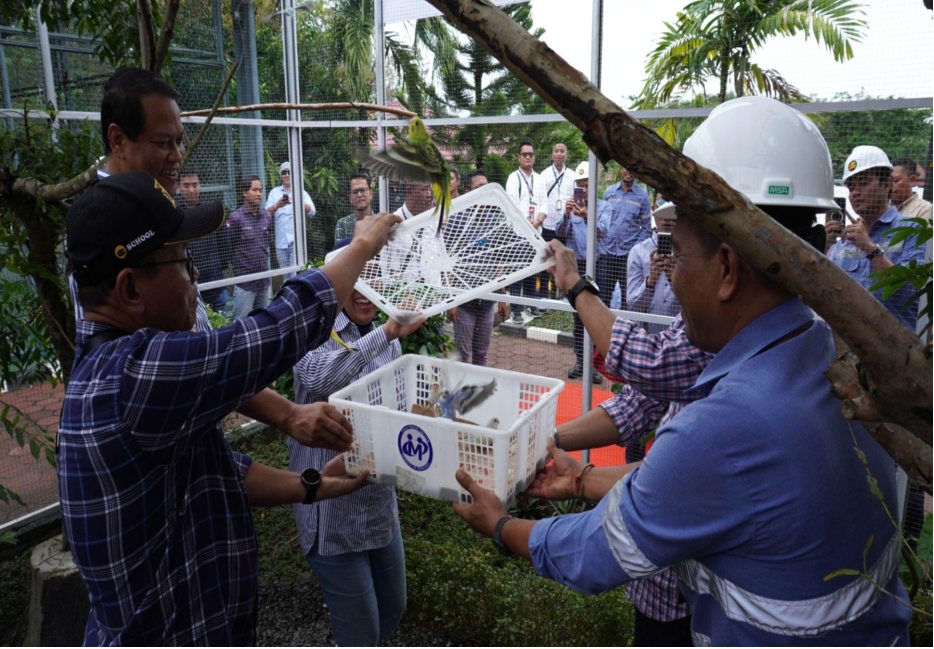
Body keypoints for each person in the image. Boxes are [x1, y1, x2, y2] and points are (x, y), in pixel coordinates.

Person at [450, 97, 911, 647]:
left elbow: (599, 552)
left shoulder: (728, 423)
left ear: (726, 268)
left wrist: (502, 525)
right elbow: (665, 448)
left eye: (677, 251)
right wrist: (572, 471)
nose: (671, 269)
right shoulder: (833, 352)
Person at [60, 170, 401, 646]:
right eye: (182, 261)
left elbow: (217, 471)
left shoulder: (123, 368)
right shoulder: (132, 376)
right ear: (130, 290)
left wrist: (312, 484)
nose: (196, 277)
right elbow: (268, 337)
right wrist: (359, 250)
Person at [76, 68, 336, 455]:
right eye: (164, 142)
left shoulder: (154, 202)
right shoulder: (99, 233)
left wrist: (287, 415)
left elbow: (206, 364)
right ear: (118, 140)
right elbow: (203, 362)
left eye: (180, 141)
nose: (178, 156)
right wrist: (355, 255)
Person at [289, 241, 424, 647]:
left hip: (378, 506)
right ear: (334, 286)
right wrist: (386, 332)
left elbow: (399, 411)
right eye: (354, 281)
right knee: (361, 634)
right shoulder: (311, 335)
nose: (365, 291)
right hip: (331, 515)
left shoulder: (392, 342)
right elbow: (323, 382)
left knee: (394, 608)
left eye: (372, 279)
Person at [827, 146, 926, 331]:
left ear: (887, 184)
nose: (855, 192)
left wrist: (872, 251)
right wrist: (824, 249)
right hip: (847, 350)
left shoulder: (913, 230)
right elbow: (828, 292)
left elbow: (914, 294)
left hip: (899, 351)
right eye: (851, 187)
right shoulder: (845, 241)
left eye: (863, 183)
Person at [555, 161, 608, 384]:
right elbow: (559, 232)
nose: (583, 190)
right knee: (578, 316)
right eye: (580, 185)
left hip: (598, 265)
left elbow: (604, 232)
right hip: (577, 268)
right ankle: (580, 360)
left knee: (596, 315)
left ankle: (595, 365)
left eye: (587, 185)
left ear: (594, 185)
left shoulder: (604, 206)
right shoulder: (571, 207)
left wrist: (587, 216)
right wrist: (567, 216)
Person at [448, 170, 498, 366]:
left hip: (488, 300)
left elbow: (497, 256)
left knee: (482, 354)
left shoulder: (492, 219)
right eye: (479, 187)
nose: (484, 191)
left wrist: (502, 296)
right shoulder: (455, 219)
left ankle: (480, 394)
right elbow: (448, 263)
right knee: (462, 354)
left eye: (487, 186)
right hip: (464, 301)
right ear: (467, 191)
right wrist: (451, 300)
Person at [505, 141, 549, 322]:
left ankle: (531, 305)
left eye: (531, 154)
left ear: (534, 157)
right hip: (518, 233)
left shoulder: (539, 179)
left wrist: (537, 221)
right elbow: (512, 204)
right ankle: (515, 309)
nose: (528, 157)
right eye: (525, 154)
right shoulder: (513, 178)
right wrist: (527, 223)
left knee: (533, 270)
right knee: (518, 271)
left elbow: (544, 203)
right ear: (519, 157)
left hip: (536, 232)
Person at [179, 165, 230, 315]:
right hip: (188, 285)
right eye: (186, 185)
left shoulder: (210, 211)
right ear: (179, 187)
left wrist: (221, 266)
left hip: (215, 283)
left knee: (221, 324)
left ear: (200, 186)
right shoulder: (175, 214)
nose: (191, 190)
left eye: (195, 185)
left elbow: (224, 242)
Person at [600, 166, 653, 310]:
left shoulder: (642, 196)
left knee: (627, 299)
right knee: (604, 296)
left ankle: (625, 330)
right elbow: (602, 220)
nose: (629, 172)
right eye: (625, 168)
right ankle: (603, 329)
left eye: (632, 169)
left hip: (628, 257)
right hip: (608, 253)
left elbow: (647, 227)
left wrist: (634, 250)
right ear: (620, 169)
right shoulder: (609, 193)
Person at [626, 209, 680, 335]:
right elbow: (633, 307)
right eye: (661, 208)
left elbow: (693, 306)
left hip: (680, 337)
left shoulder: (689, 254)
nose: (666, 218)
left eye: (671, 209)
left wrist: (675, 280)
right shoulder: (638, 252)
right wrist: (650, 282)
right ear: (654, 211)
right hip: (647, 337)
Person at [229, 175, 274, 320]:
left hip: (264, 281)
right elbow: (229, 247)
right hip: (245, 283)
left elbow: (267, 242)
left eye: (260, 190)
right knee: (241, 324)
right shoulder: (236, 218)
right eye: (254, 190)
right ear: (244, 192)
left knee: (265, 322)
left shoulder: (267, 216)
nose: (259, 194)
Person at [266, 161, 315, 281]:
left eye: (289, 172)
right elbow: (265, 213)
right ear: (281, 175)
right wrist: (277, 205)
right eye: (284, 172)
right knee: (285, 277)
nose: (287, 175)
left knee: (295, 275)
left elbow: (312, 211)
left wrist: (298, 201)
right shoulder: (274, 192)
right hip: (280, 242)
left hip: (296, 242)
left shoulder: (300, 192)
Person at [335, 173, 374, 242]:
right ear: (350, 198)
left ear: (370, 194)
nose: (359, 195)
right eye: (355, 192)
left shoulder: (380, 222)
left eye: (362, 190)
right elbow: (340, 252)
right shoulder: (343, 224)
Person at [891, 157, 932, 221]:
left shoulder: (925, 209)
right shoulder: (882, 207)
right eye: (888, 181)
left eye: (896, 180)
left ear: (911, 180)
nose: (890, 185)